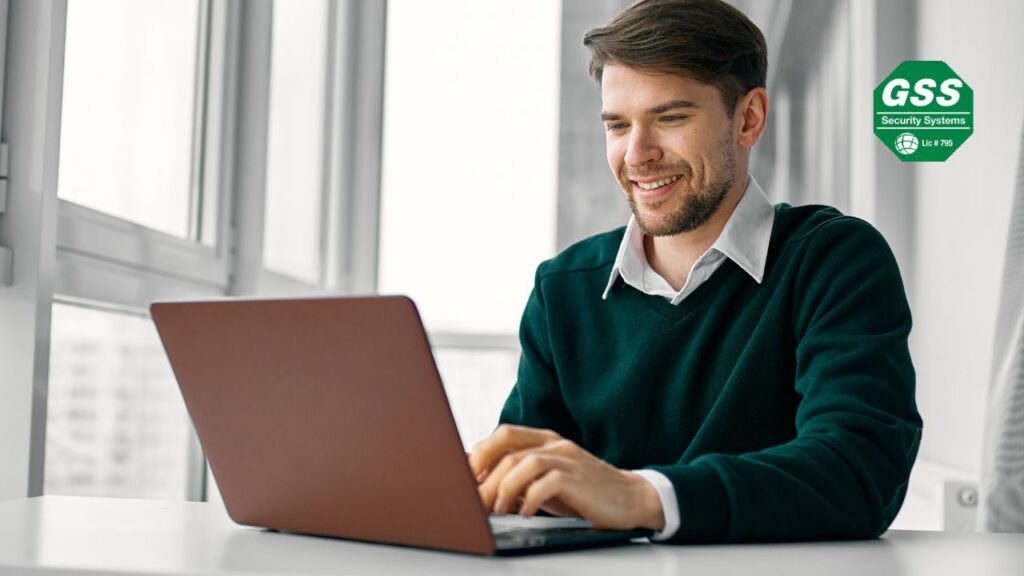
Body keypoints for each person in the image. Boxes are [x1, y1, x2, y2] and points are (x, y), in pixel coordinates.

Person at [467, 0, 923, 543]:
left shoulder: (834, 262)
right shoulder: (562, 289)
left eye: (670, 117)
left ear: (748, 118)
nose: (637, 154)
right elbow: (526, 491)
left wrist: (640, 496)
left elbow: (858, 472)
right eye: (618, 125)